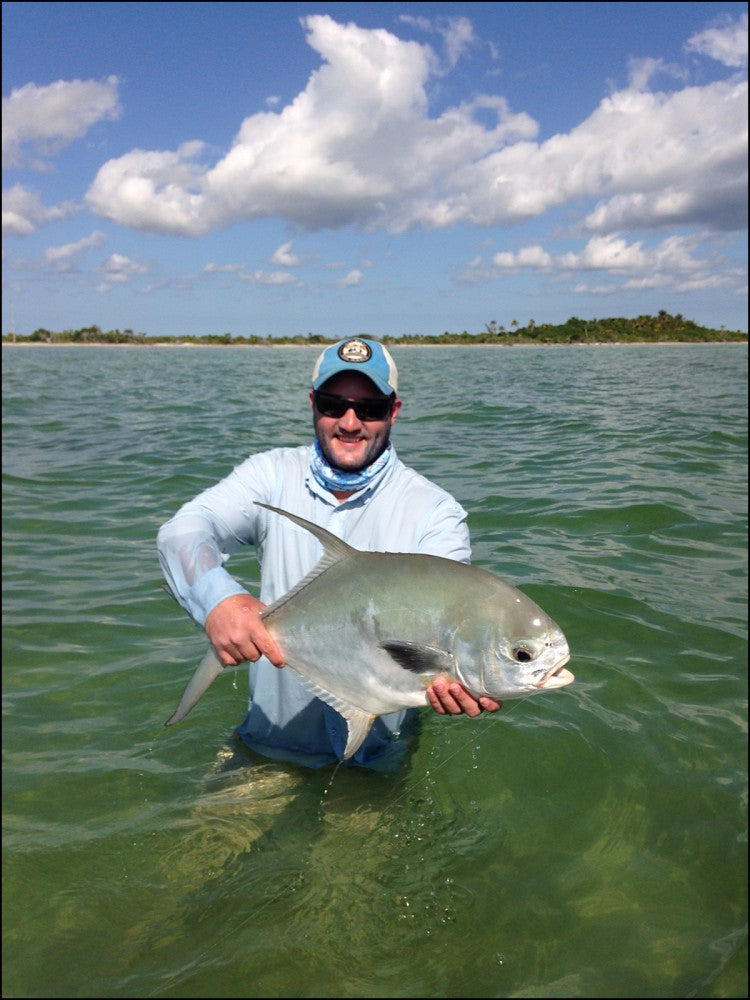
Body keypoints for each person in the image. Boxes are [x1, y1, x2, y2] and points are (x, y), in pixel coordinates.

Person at [157, 337, 501, 770]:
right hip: (268, 747)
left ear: (393, 411)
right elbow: (184, 532)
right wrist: (218, 600)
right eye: (333, 404)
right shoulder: (271, 477)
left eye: (370, 408)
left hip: (378, 759)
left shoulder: (433, 512)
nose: (350, 423)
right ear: (312, 404)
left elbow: (452, 616)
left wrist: (473, 673)